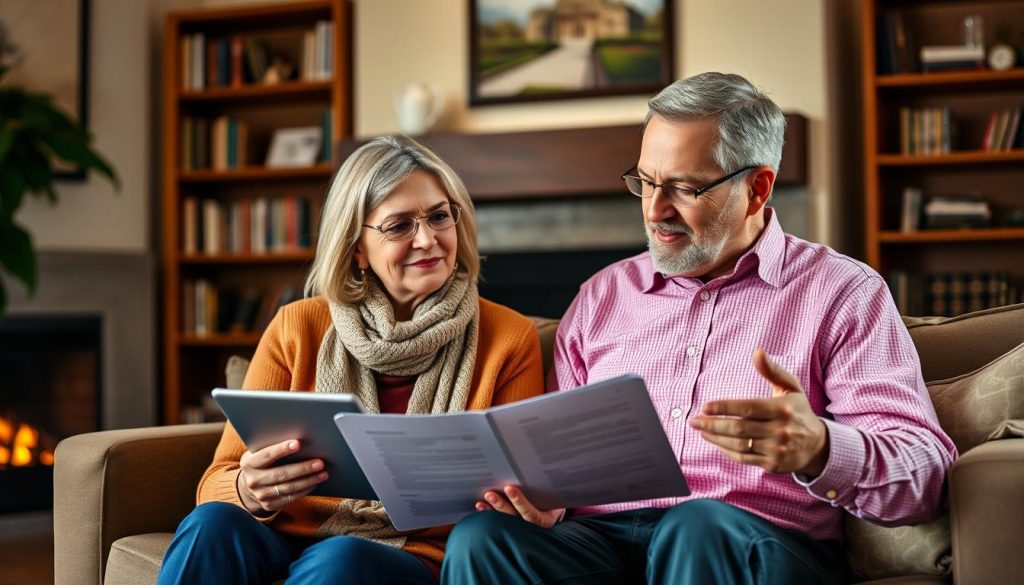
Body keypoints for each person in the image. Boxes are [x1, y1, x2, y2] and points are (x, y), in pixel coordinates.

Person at [441, 72, 958, 585]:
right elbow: (557, 459)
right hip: (604, 542)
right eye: (644, 182)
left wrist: (820, 447)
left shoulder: (841, 291)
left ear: (757, 188)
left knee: (696, 526)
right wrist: (542, 494)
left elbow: (926, 476)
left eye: (684, 188)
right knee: (482, 539)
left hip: (752, 540)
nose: (654, 210)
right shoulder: (601, 296)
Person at [156, 135, 545, 585]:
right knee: (212, 525)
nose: (428, 239)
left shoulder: (509, 338)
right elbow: (217, 481)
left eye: (440, 216)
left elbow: (522, 483)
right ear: (357, 247)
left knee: (341, 559)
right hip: (288, 536)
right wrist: (249, 490)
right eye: (399, 226)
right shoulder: (296, 326)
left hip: (412, 553)